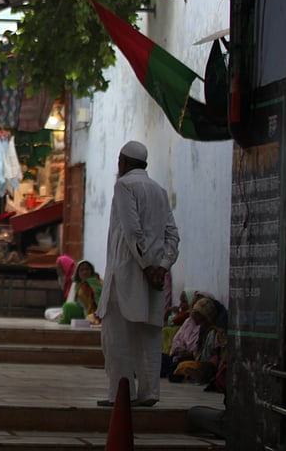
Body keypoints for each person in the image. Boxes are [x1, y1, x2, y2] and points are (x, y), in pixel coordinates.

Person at [96, 140, 180, 408]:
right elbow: (172, 235)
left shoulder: (124, 186)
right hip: (153, 277)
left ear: (123, 161)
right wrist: (162, 267)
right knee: (148, 336)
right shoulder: (159, 190)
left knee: (116, 335)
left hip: (127, 274)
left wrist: (147, 267)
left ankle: (121, 395)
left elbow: (133, 231)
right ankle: (149, 392)